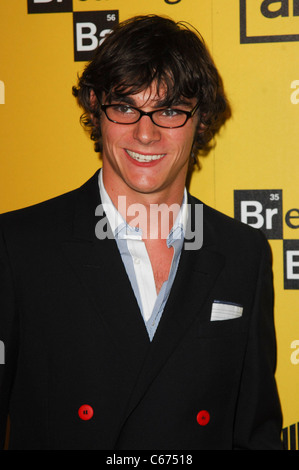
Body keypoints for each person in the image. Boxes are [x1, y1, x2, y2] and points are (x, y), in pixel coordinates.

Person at [0, 15, 282, 450]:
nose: (145, 133)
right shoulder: (18, 246)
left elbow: (256, 433)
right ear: (96, 108)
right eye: (126, 106)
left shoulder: (243, 254)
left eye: (169, 110)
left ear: (200, 119)